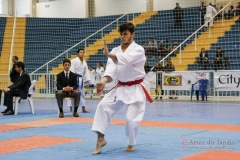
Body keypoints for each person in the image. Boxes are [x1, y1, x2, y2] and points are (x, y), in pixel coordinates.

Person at [91, 22, 153, 155]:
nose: (122, 36)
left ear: (132, 34)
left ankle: (131, 143)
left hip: (136, 88)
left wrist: (109, 55)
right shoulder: (115, 50)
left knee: (131, 119)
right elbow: (111, 70)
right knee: (102, 106)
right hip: (120, 87)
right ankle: (100, 138)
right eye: (121, 34)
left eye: (125, 34)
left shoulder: (138, 49)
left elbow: (126, 60)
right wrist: (103, 81)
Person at [68, 48, 90, 113]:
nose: (82, 54)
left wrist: (87, 81)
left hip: (81, 80)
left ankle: (83, 108)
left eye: (83, 52)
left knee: (82, 94)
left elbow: (86, 72)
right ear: (77, 54)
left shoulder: (85, 62)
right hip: (74, 79)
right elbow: (71, 71)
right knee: (72, 93)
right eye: (81, 52)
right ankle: (71, 108)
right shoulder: (74, 61)